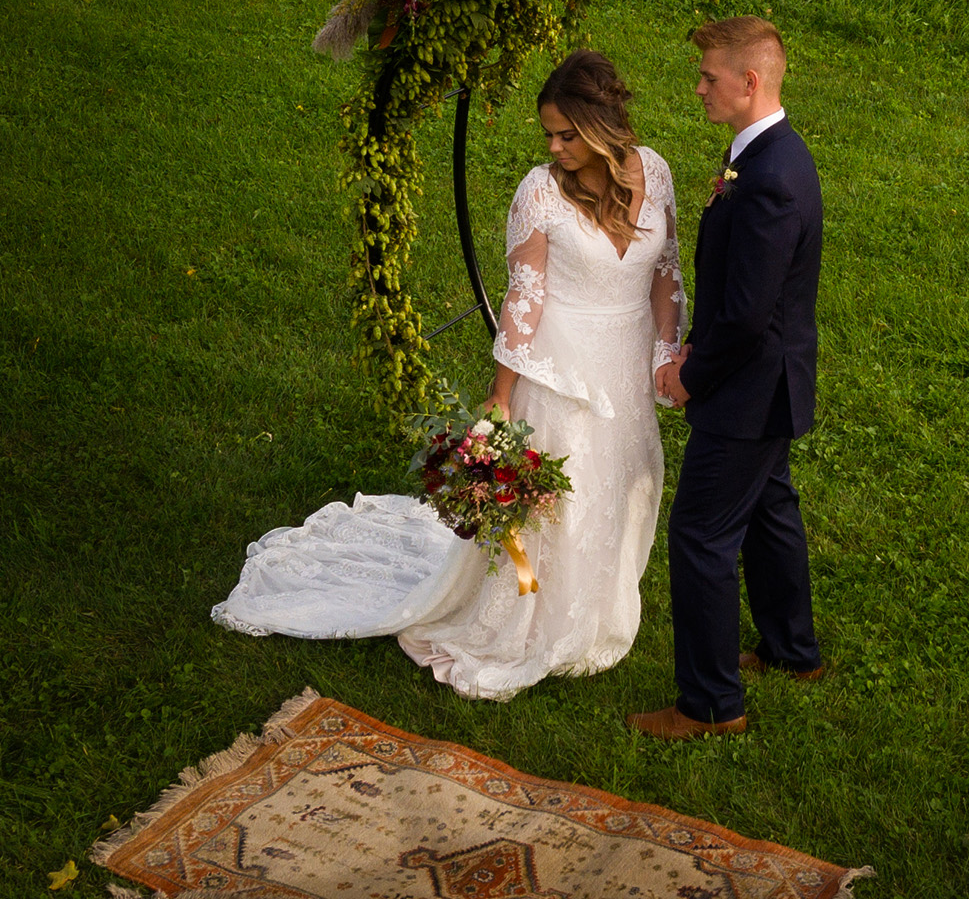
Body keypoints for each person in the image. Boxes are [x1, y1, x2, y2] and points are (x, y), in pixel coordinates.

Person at [211, 50, 684, 702]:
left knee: (621, 484)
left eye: (565, 135)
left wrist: (666, 352)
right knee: (564, 501)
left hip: (625, 365)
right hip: (561, 368)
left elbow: (666, 271)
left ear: (602, 125)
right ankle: (536, 619)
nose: (553, 147)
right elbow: (524, 298)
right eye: (548, 134)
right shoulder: (539, 191)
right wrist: (502, 396)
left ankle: (598, 613)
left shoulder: (654, 171)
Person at [628, 16, 825, 740]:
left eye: (709, 77)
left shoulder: (770, 180)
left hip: (746, 391)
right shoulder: (770, 153)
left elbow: (746, 316)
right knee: (769, 512)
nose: (699, 88)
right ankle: (792, 651)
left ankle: (710, 704)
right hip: (769, 383)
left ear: (749, 81)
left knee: (701, 534)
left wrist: (693, 373)